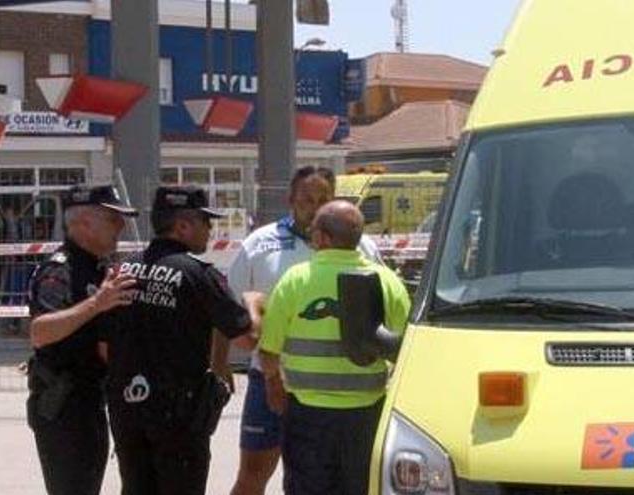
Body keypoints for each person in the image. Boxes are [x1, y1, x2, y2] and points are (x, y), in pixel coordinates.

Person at [226, 166, 382, 495]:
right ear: (290, 200)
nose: (314, 207)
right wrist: (219, 363)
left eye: (323, 199)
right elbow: (228, 311)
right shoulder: (259, 244)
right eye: (306, 199)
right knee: (253, 473)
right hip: (269, 381)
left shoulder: (363, 248)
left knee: (326, 481)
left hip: (334, 390)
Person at [104, 185, 252, 495]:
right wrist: (256, 305)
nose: (210, 230)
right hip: (178, 411)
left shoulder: (120, 270)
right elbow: (246, 338)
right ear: (183, 226)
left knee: (135, 486)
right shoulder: (199, 275)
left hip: (126, 405)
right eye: (205, 222)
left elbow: (103, 342)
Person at [258, 200, 411, 495]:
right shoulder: (388, 281)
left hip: (308, 417)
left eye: (314, 229)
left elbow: (268, 350)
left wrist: (272, 383)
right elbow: (409, 350)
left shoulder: (295, 280)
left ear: (323, 238)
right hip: (367, 415)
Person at [25, 185, 138, 495]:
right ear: (83, 223)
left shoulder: (97, 267)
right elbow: (40, 331)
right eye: (113, 219)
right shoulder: (59, 270)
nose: (121, 227)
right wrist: (96, 304)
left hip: (89, 399)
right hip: (63, 405)